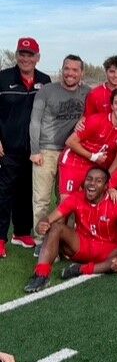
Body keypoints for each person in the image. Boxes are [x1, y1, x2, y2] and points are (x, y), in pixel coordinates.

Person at [24, 167, 117, 293]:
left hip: (108, 250)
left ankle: (81, 269)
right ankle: (41, 275)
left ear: (106, 186)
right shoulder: (76, 197)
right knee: (55, 228)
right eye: (89, 179)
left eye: (98, 181)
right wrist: (42, 224)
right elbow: (49, 219)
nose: (92, 183)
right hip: (81, 246)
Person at [29, 54, 89, 246]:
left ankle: (65, 238)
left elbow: (107, 99)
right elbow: (35, 121)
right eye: (67, 68)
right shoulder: (47, 90)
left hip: (72, 154)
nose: (70, 73)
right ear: (62, 69)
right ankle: (41, 240)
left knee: (68, 201)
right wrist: (35, 150)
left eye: (75, 70)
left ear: (81, 72)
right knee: (42, 199)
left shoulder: (87, 92)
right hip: (46, 151)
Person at [0, 37, 51, 258]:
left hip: (34, 149)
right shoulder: (2, 78)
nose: (25, 58)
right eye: (22, 53)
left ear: (37, 58)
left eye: (30, 55)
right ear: (16, 55)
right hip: (8, 148)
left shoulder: (45, 80)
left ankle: (21, 232)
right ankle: (1, 237)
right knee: (4, 193)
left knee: (26, 192)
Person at [58, 88, 117, 201]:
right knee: (66, 203)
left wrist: (106, 177)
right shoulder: (96, 120)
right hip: (73, 162)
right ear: (112, 106)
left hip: (94, 167)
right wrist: (92, 156)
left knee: (91, 203)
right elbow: (70, 142)